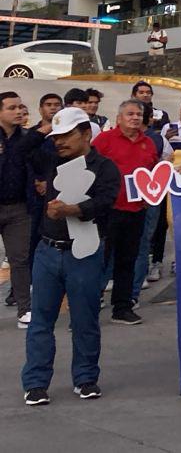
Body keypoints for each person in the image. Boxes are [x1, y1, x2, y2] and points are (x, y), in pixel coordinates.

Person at [21, 107, 122, 405]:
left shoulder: (104, 167)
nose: (60, 142)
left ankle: (86, 379)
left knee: (85, 320)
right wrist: (42, 128)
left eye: (66, 135)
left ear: (86, 134)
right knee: (41, 320)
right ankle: (36, 383)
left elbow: (106, 200)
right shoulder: (49, 160)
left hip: (86, 254)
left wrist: (74, 210)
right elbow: (21, 150)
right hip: (48, 250)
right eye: (56, 137)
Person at [91, 100, 158, 326]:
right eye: (130, 114)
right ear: (119, 118)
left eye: (139, 114)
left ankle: (122, 308)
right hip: (107, 210)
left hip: (135, 210)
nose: (135, 118)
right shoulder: (104, 140)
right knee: (99, 260)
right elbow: (89, 167)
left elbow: (153, 174)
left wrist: (151, 196)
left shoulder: (148, 143)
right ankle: (88, 306)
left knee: (127, 261)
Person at [1, 92, 41, 327]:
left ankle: (24, 310)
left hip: (19, 209)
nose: (18, 112)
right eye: (11, 108)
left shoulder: (28, 138)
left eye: (20, 107)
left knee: (21, 260)